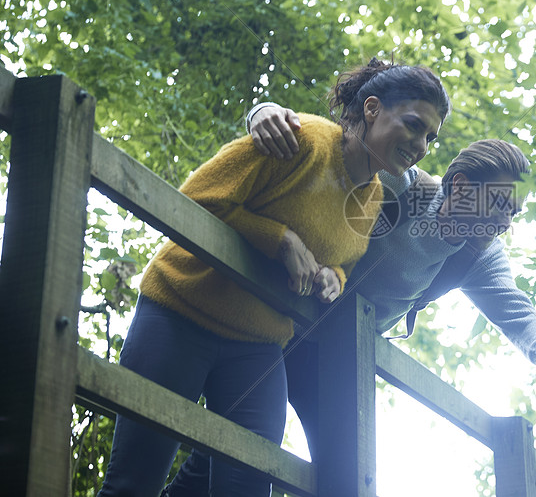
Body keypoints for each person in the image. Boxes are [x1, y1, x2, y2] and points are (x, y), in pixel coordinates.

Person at [160, 110, 536, 497]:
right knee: (238, 447)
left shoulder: (478, 254)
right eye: (500, 203)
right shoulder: (404, 189)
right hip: (278, 327)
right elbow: (341, 150)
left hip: (334, 358)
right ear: (461, 186)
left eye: (514, 213)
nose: (505, 221)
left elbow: (515, 308)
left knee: (347, 472)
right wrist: (266, 112)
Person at [97, 58, 450, 497]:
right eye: (414, 126)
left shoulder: (375, 198)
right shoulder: (301, 140)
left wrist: (333, 278)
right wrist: (281, 241)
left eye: (430, 138)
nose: (420, 144)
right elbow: (194, 197)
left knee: (247, 486)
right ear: (373, 109)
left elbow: (344, 259)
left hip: (258, 346)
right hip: (180, 311)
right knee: (133, 483)